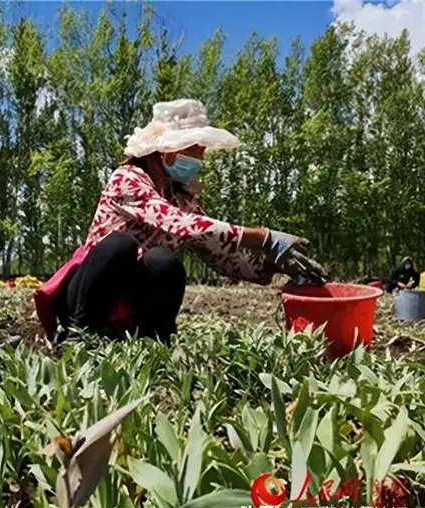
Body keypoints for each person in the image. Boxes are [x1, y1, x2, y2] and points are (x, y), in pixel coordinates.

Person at [35, 98, 325, 343]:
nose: (202, 157)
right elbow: (178, 224)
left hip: (130, 304)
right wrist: (262, 237)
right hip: (91, 296)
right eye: (195, 148)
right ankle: (78, 334)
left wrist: (274, 264)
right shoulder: (127, 180)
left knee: (164, 261)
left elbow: (220, 254)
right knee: (120, 246)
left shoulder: (183, 199)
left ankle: (152, 338)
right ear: (168, 152)